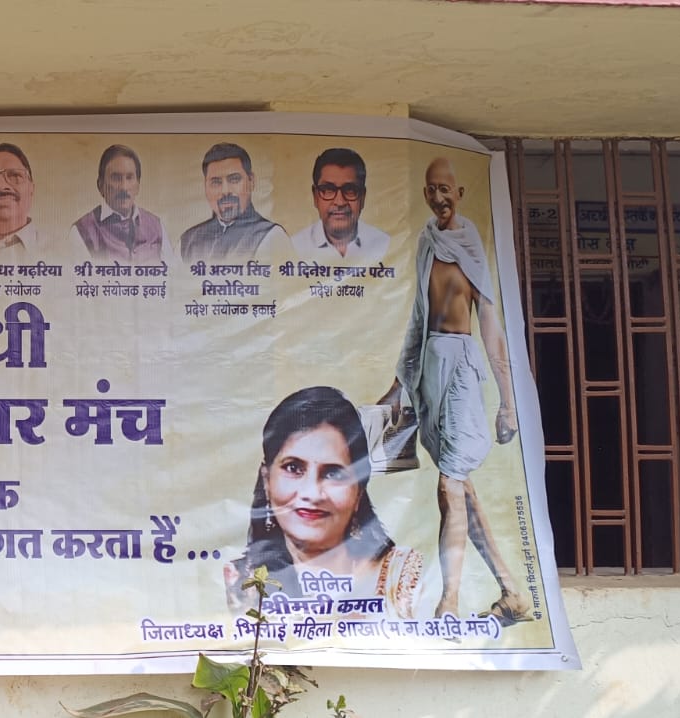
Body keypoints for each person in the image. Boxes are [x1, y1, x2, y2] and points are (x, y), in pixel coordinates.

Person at [379, 157, 532, 625]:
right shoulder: (426, 241)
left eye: (446, 189)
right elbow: (418, 321)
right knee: (460, 489)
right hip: (430, 371)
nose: (439, 197)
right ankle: (512, 592)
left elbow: (492, 329)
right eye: (431, 190)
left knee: (450, 486)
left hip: (463, 369)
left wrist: (507, 403)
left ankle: (449, 600)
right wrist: (398, 385)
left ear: (459, 193)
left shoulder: (470, 245)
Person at [225, 386, 424, 620]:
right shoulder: (239, 583)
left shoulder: (403, 577)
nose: (312, 493)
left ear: (359, 489)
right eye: (293, 468)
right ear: (267, 480)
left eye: (333, 474)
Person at [180, 142, 286, 261]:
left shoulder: (271, 236)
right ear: (205, 187)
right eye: (216, 182)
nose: (226, 191)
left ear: (251, 181)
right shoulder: (188, 241)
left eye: (234, 179)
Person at [68, 144, 173, 262]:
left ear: (138, 185)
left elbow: (174, 278)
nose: (123, 187)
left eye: (129, 177)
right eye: (116, 178)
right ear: (100, 185)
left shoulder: (157, 227)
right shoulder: (82, 232)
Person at [285, 148, 391, 262]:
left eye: (350, 190)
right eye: (328, 189)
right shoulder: (294, 248)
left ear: (363, 197)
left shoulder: (385, 245)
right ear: (315, 197)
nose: (340, 202)